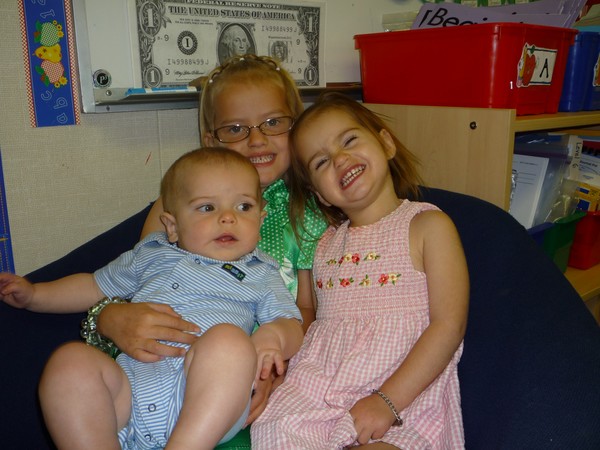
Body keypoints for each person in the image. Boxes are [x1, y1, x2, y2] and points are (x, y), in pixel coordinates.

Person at [0, 147, 304, 449]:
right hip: (126, 398)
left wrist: (273, 337)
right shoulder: (150, 253)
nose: (228, 218)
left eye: (244, 207)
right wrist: (35, 295)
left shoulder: (260, 271)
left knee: (229, 342)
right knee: (69, 361)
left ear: (261, 220)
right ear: (172, 227)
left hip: (204, 404)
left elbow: (291, 322)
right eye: (207, 208)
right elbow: (93, 285)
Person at [92, 54, 328, 424]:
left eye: (273, 122)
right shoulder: (179, 205)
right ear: (210, 141)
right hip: (167, 364)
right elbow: (141, 279)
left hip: (264, 370)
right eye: (235, 128)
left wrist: (279, 370)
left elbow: (309, 312)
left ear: (295, 126)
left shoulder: (311, 211)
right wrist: (106, 318)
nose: (257, 140)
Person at [251, 93, 470, 449]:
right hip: (320, 392)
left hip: (404, 396)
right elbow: (307, 320)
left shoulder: (428, 226)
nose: (340, 159)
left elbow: (449, 325)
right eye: (321, 161)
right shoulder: (321, 245)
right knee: (273, 430)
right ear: (320, 194)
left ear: (386, 144)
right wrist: (280, 369)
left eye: (349, 140)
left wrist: (387, 401)